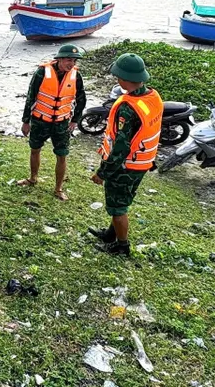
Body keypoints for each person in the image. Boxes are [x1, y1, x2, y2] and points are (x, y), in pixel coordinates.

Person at [89, 53, 163, 256]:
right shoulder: (152, 97)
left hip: (125, 166)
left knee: (118, 207)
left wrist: (102, 173)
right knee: (121, 200)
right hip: (143, 163)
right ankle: (110, 235)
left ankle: (122, 246)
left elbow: (121, 148)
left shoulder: (128, 108)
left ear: (123, 79)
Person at [19, 43, 87, 200]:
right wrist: (26, 121)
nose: (71, 64)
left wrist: (75, 120)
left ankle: (58, 188)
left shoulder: (76, 76)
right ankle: (33, 178)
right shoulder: (42, 72)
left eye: (74, 61)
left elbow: (81, 99)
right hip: (40, 120)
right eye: (68, 60)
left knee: (62, 155)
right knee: (35, 149)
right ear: (60, 59)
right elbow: (31, 97)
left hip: (62, 123)